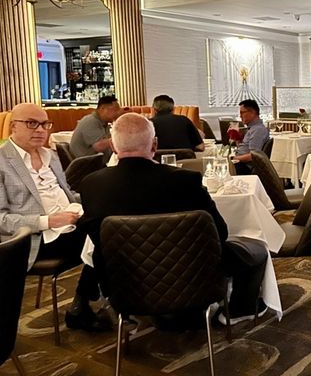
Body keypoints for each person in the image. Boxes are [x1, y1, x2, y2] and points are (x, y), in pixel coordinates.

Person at [77, 113, 268, 326]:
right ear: (155, 144)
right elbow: (219, 233)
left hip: (124, 283)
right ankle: (239, 309)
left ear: (113, 145)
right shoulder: (185, 181)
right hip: (193, 280)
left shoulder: (90, 185)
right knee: (258, 248)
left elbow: (98, 240)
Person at [0, 103, 109, 331]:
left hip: (70, 225)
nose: (40, 130)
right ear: (13, 127)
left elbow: (67, 194)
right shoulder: (2, 161)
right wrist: (49, 221)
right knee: (107, 235)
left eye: (44, 124)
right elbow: (1, 220)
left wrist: (97, 198)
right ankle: (86, 303)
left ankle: (86, 303)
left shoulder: (50, 155)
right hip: (35, 239)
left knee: (110, 222)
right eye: (31, 123)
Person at [69, 95, 122, 162]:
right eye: (115, 110)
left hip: (95, 162)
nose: (118, 113)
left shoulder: (103, 123)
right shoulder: (90, 121)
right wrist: (120, 139)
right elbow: (98, 146)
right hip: (86, 164)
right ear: (102, 109)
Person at [232, 99, 269, 175]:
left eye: (242, 112)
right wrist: (237, 138)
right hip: (241, 163)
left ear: (252, 112)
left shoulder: (258, 130)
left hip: (244, 167)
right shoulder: (252, 128)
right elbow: (244, 150)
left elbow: (253, 156)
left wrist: (233, 159)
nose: (240, 116)